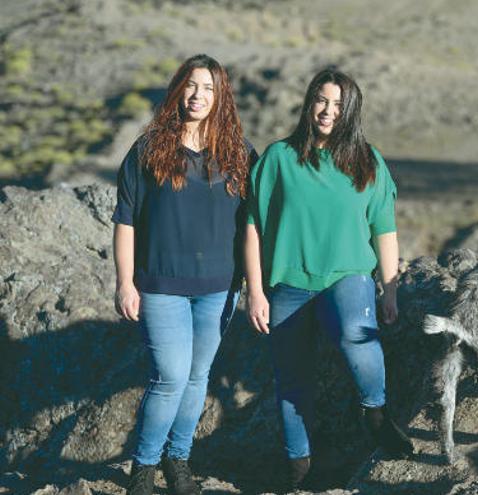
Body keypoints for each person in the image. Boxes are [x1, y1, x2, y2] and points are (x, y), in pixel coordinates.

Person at [244, 68, 413, 489]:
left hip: (347, 277)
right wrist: (255, 290)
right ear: (308, 102)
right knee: (291, 379)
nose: (328, 111)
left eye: (339, 105)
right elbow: (252, 226)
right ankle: (299, 469)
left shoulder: (367, 161)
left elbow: (384, 228)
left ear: (351, 112)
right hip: (288, 284)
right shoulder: (279, 158)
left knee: (358, 333)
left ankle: (374, 413)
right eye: (322, 100)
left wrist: (389, 288)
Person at [112, 54, 257, 495]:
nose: (199, 96)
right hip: (160, 285)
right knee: (170, 376)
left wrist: (255, 285)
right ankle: (144, 467)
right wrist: (124, 281)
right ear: (179, 90)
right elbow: (125, 220)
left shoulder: (239, 154)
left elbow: (255, 225)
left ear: (221, 98)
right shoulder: (148, 149)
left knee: (197, 377)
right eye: (192, 86)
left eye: (209, 89)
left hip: (219, 288)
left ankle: (179, 462)